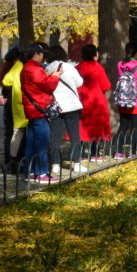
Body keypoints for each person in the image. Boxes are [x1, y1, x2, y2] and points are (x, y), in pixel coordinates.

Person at [20, 43, 62, 183]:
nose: (43, 57)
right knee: (42, 142)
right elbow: (48, 86)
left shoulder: (26, 68)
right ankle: (41, 173)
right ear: (36, 54)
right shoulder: (35, 69)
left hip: (32, 108)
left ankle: (30, 172)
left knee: (31, 142)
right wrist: (55, 76)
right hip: (40, 109)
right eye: (42, 54)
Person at [44, 46, 86, 176]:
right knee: (74, 135)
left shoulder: (47, 68)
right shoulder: (69, 67)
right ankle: (77, 163)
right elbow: (79, 82)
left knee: (55, 136)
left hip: (55, 106)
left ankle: (55, 164)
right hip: (71, 105)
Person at [76, 44, 111, 161]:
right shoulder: (98, 68)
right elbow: (106, 86)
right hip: (96, 101)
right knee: (96, 127)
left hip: (81, 100)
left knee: (80, 127)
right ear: (95, 54)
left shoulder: (77, 68)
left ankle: (80, 154)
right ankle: (94, 153)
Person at [0, 48, 27, 173]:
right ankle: (27, 160)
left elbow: (5, 81)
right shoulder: (25, 66)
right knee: (28, 132)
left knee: (16, 133)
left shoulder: (14, 67)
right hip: (28, 104)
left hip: (15, 103)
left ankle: (12, 159)